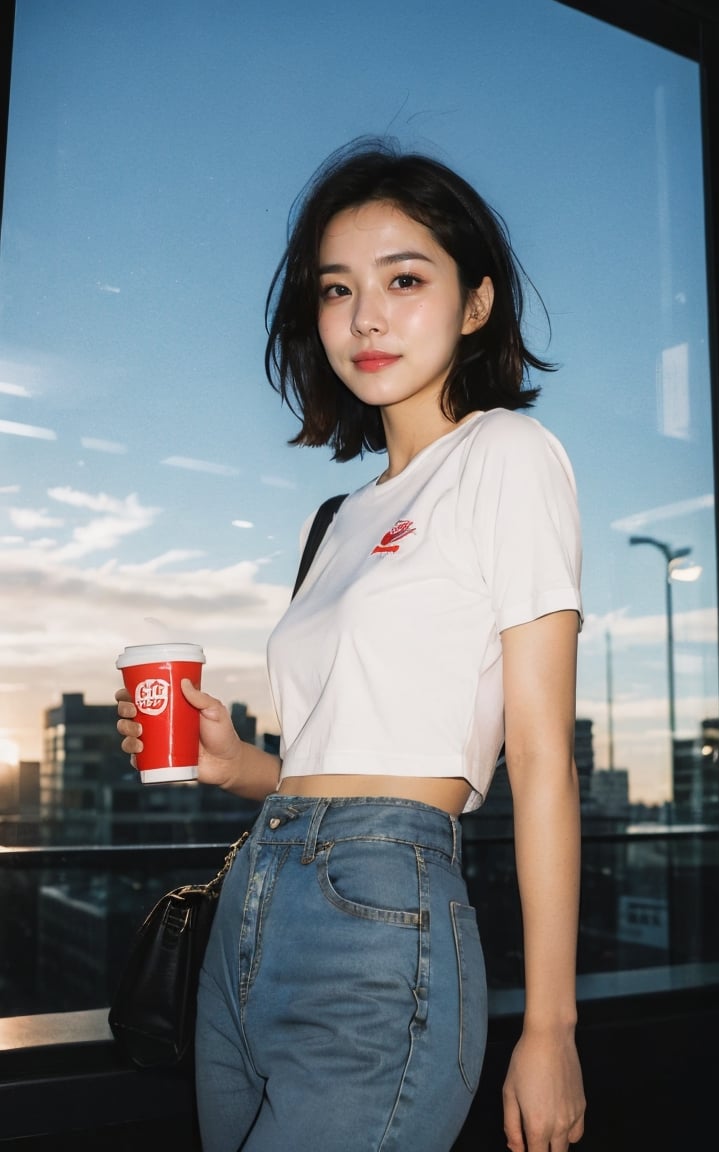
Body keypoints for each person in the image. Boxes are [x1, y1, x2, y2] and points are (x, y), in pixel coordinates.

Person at [116, 136, 586, 1152]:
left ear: (476, 304)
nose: (365, 315)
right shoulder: (334, 520)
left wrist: (550, 1026)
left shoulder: (507, 454)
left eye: (403, 279)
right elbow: (335, 758)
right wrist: (237, 764)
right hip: (253, 903)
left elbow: (544, 761)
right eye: (337, 288)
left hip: (380, 915)